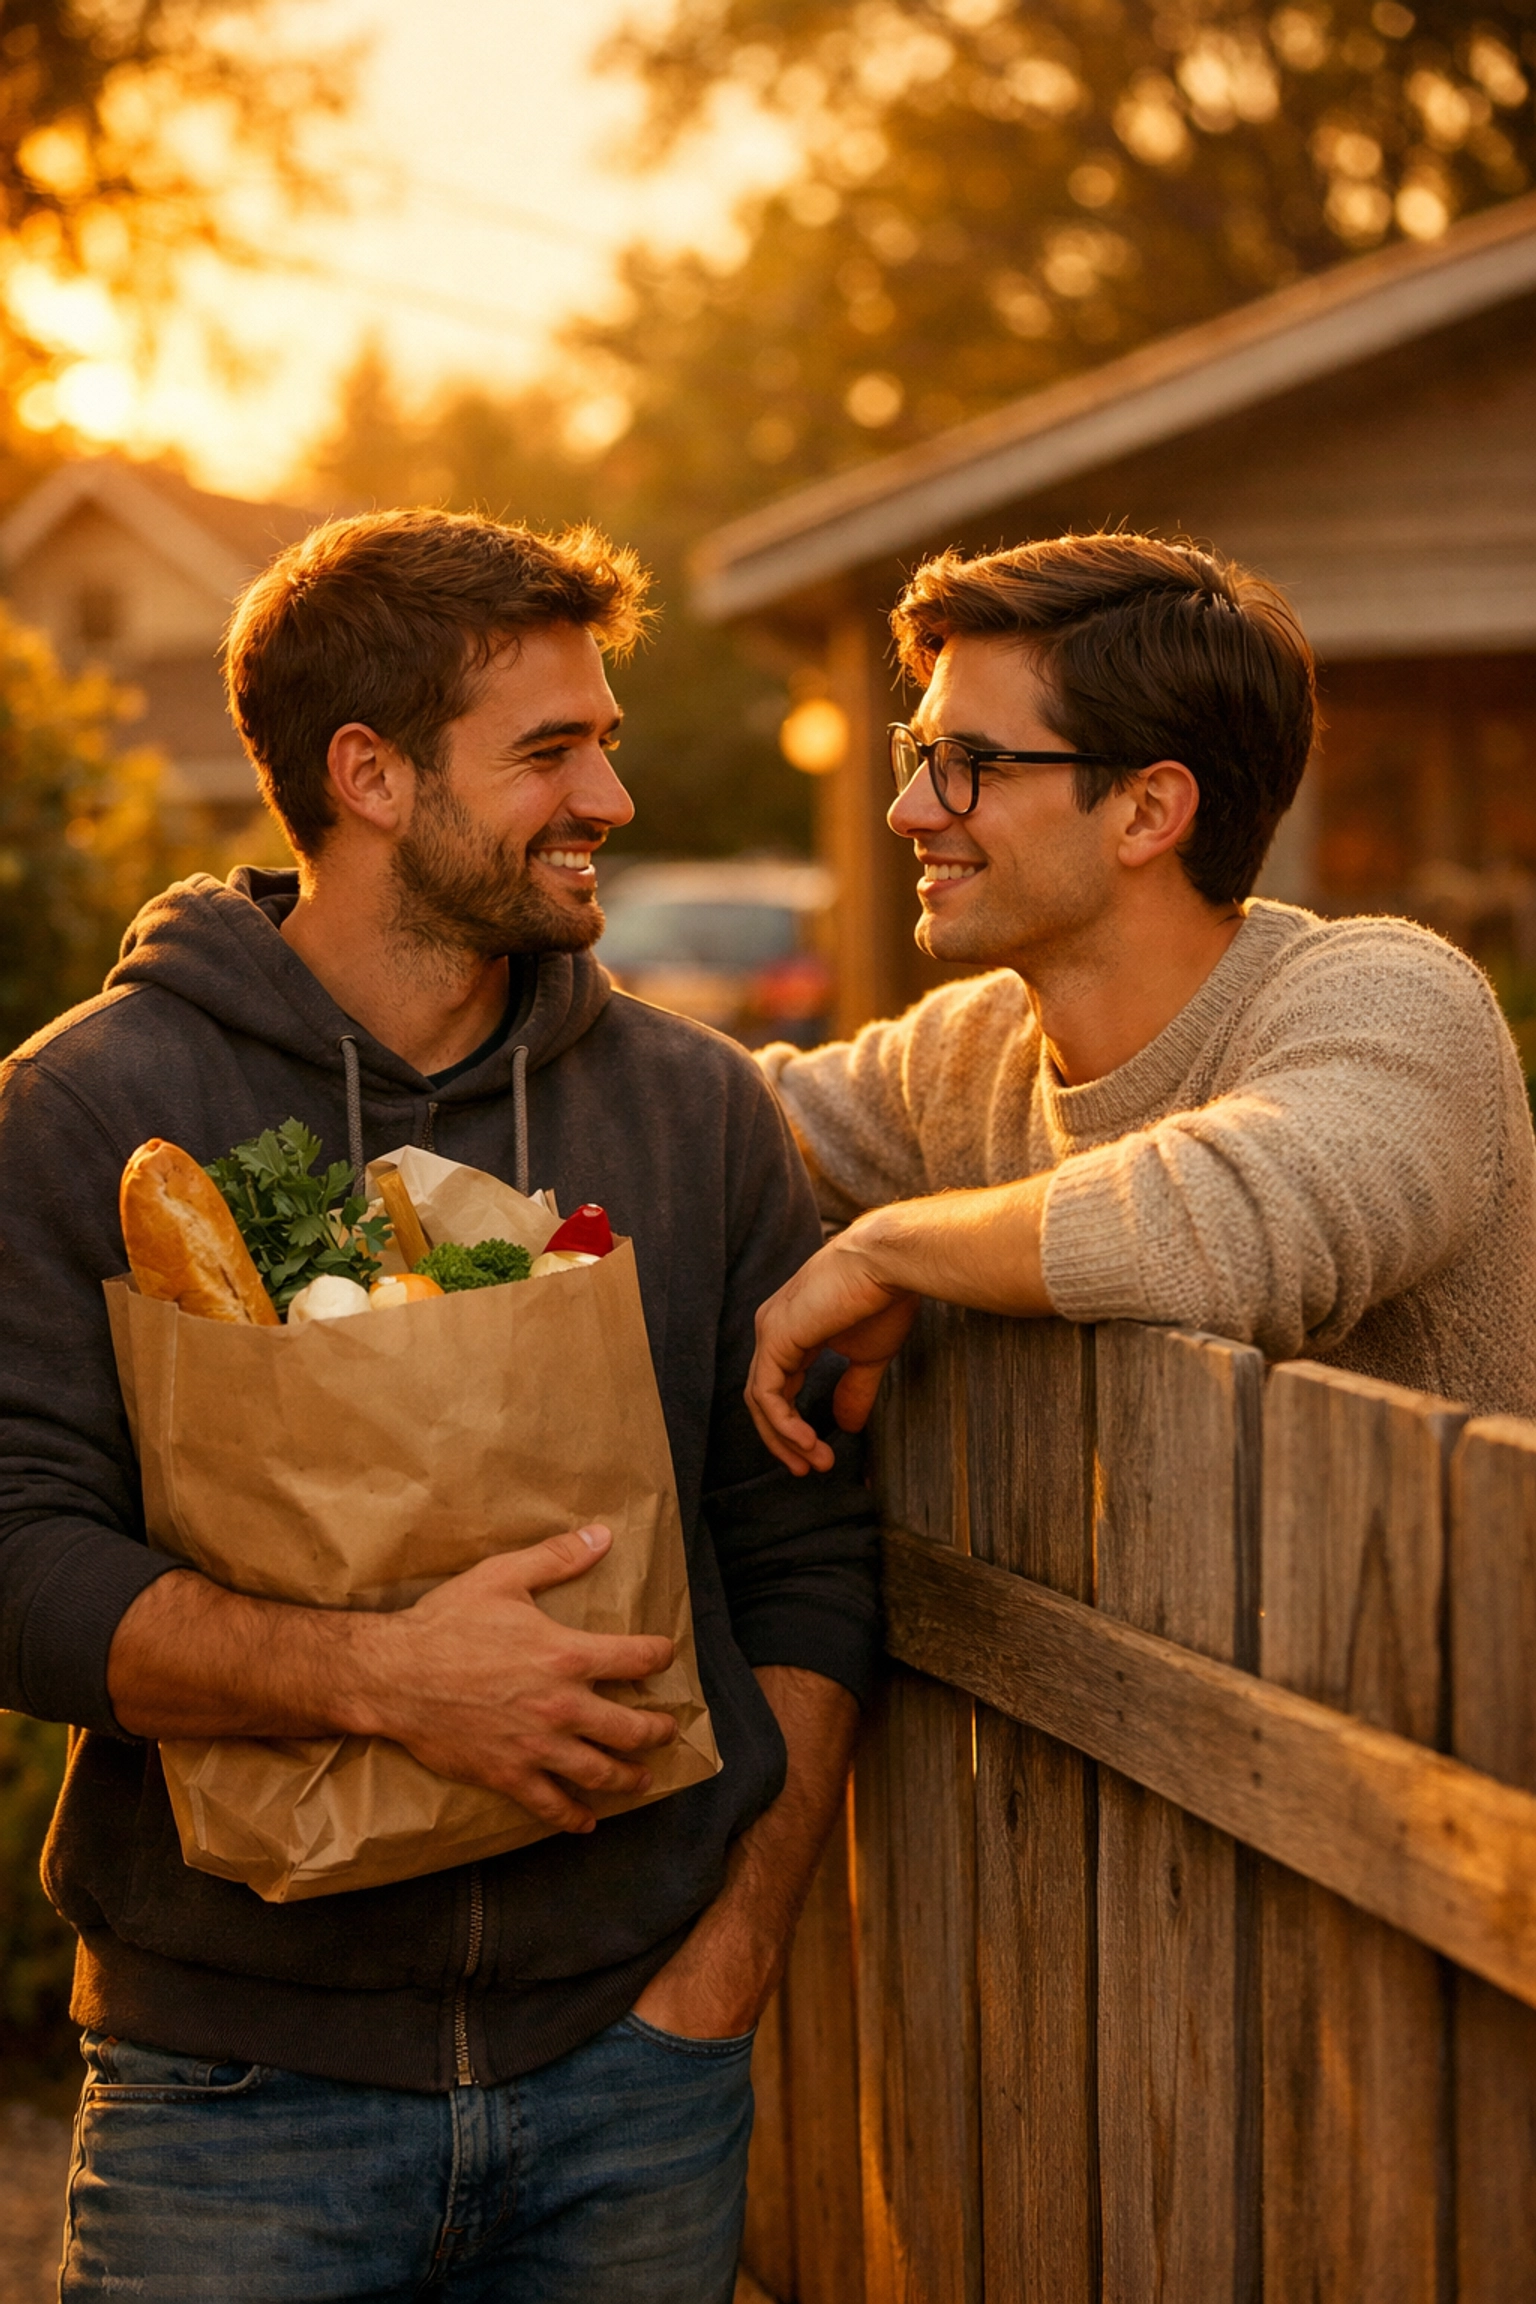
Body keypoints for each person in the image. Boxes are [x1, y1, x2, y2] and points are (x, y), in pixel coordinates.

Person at [0, 510, 879, 2302]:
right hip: (234, 2100)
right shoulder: (91, 1112)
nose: (610, 796)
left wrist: (719, 1975)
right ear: (370, 774)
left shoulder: (698, 1111)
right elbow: (15, 1557)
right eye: (552, 749)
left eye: (605, 741)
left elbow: (808, 1551)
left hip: (633, 2084)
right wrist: (381, 1675)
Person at [746, 531, 1536, 1476]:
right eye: (917, 755)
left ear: (1149, 812)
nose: (910, 809)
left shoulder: (1393, 1001)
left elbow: (1231, 1221)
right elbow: (712, 1122)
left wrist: (890, 1247)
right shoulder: (970, 1052)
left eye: (970, 762)